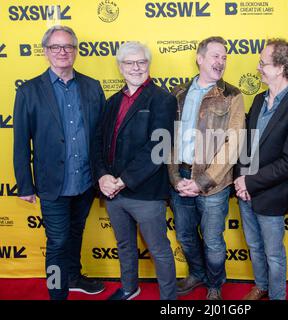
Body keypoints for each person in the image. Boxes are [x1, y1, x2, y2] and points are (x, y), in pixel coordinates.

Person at [13, 25, 106, 300]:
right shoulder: (29, 91)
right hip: (52, 184)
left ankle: (74, 277)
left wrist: (103, 177)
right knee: (57, 242)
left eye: (68, 46)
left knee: (76, 234)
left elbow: (101, 137)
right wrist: (25, 185)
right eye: (56, 47)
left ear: (76, 51)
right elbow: (20, 142)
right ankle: (57, 291)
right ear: (46, 52)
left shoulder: (91, 86)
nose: (62, 52)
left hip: (86, 182)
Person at [91, 41, 177, 300]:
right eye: (129, 62)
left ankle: (169, 300)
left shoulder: (163, 99)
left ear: (148, 64)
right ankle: (130, 288)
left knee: (159, 250)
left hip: (146, 192)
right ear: (120, 67)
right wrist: (103, 176)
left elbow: (158, 148)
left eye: (141, 62)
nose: (136, 67)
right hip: (113, 192)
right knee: (125, 245)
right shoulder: (112, 101)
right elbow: (97, 141)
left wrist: (123, 180)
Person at [234, 39, 288, 300]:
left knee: (273, 253)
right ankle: (261, 286)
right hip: (245, 192)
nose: (258, 68)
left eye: (262, 63)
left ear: (280, 67)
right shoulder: (258, 100)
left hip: (271, 194)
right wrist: (239, 181)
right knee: (254, 247)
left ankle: (278, 295)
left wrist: (250, 183)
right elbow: (245, 144)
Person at [167, 36, 245, 300]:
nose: (220, 62)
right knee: (186, 236)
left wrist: (203, 181)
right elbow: (169, 139)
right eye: (215, 56)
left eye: (224, 57)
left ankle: (214, 284)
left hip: (214, 184)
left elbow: (233, 145)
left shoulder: (233, 95)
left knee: (213, 242)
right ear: (200, 58)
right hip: (181, 179)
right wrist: (175, 176)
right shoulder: (178, 93)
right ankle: (197, 275)